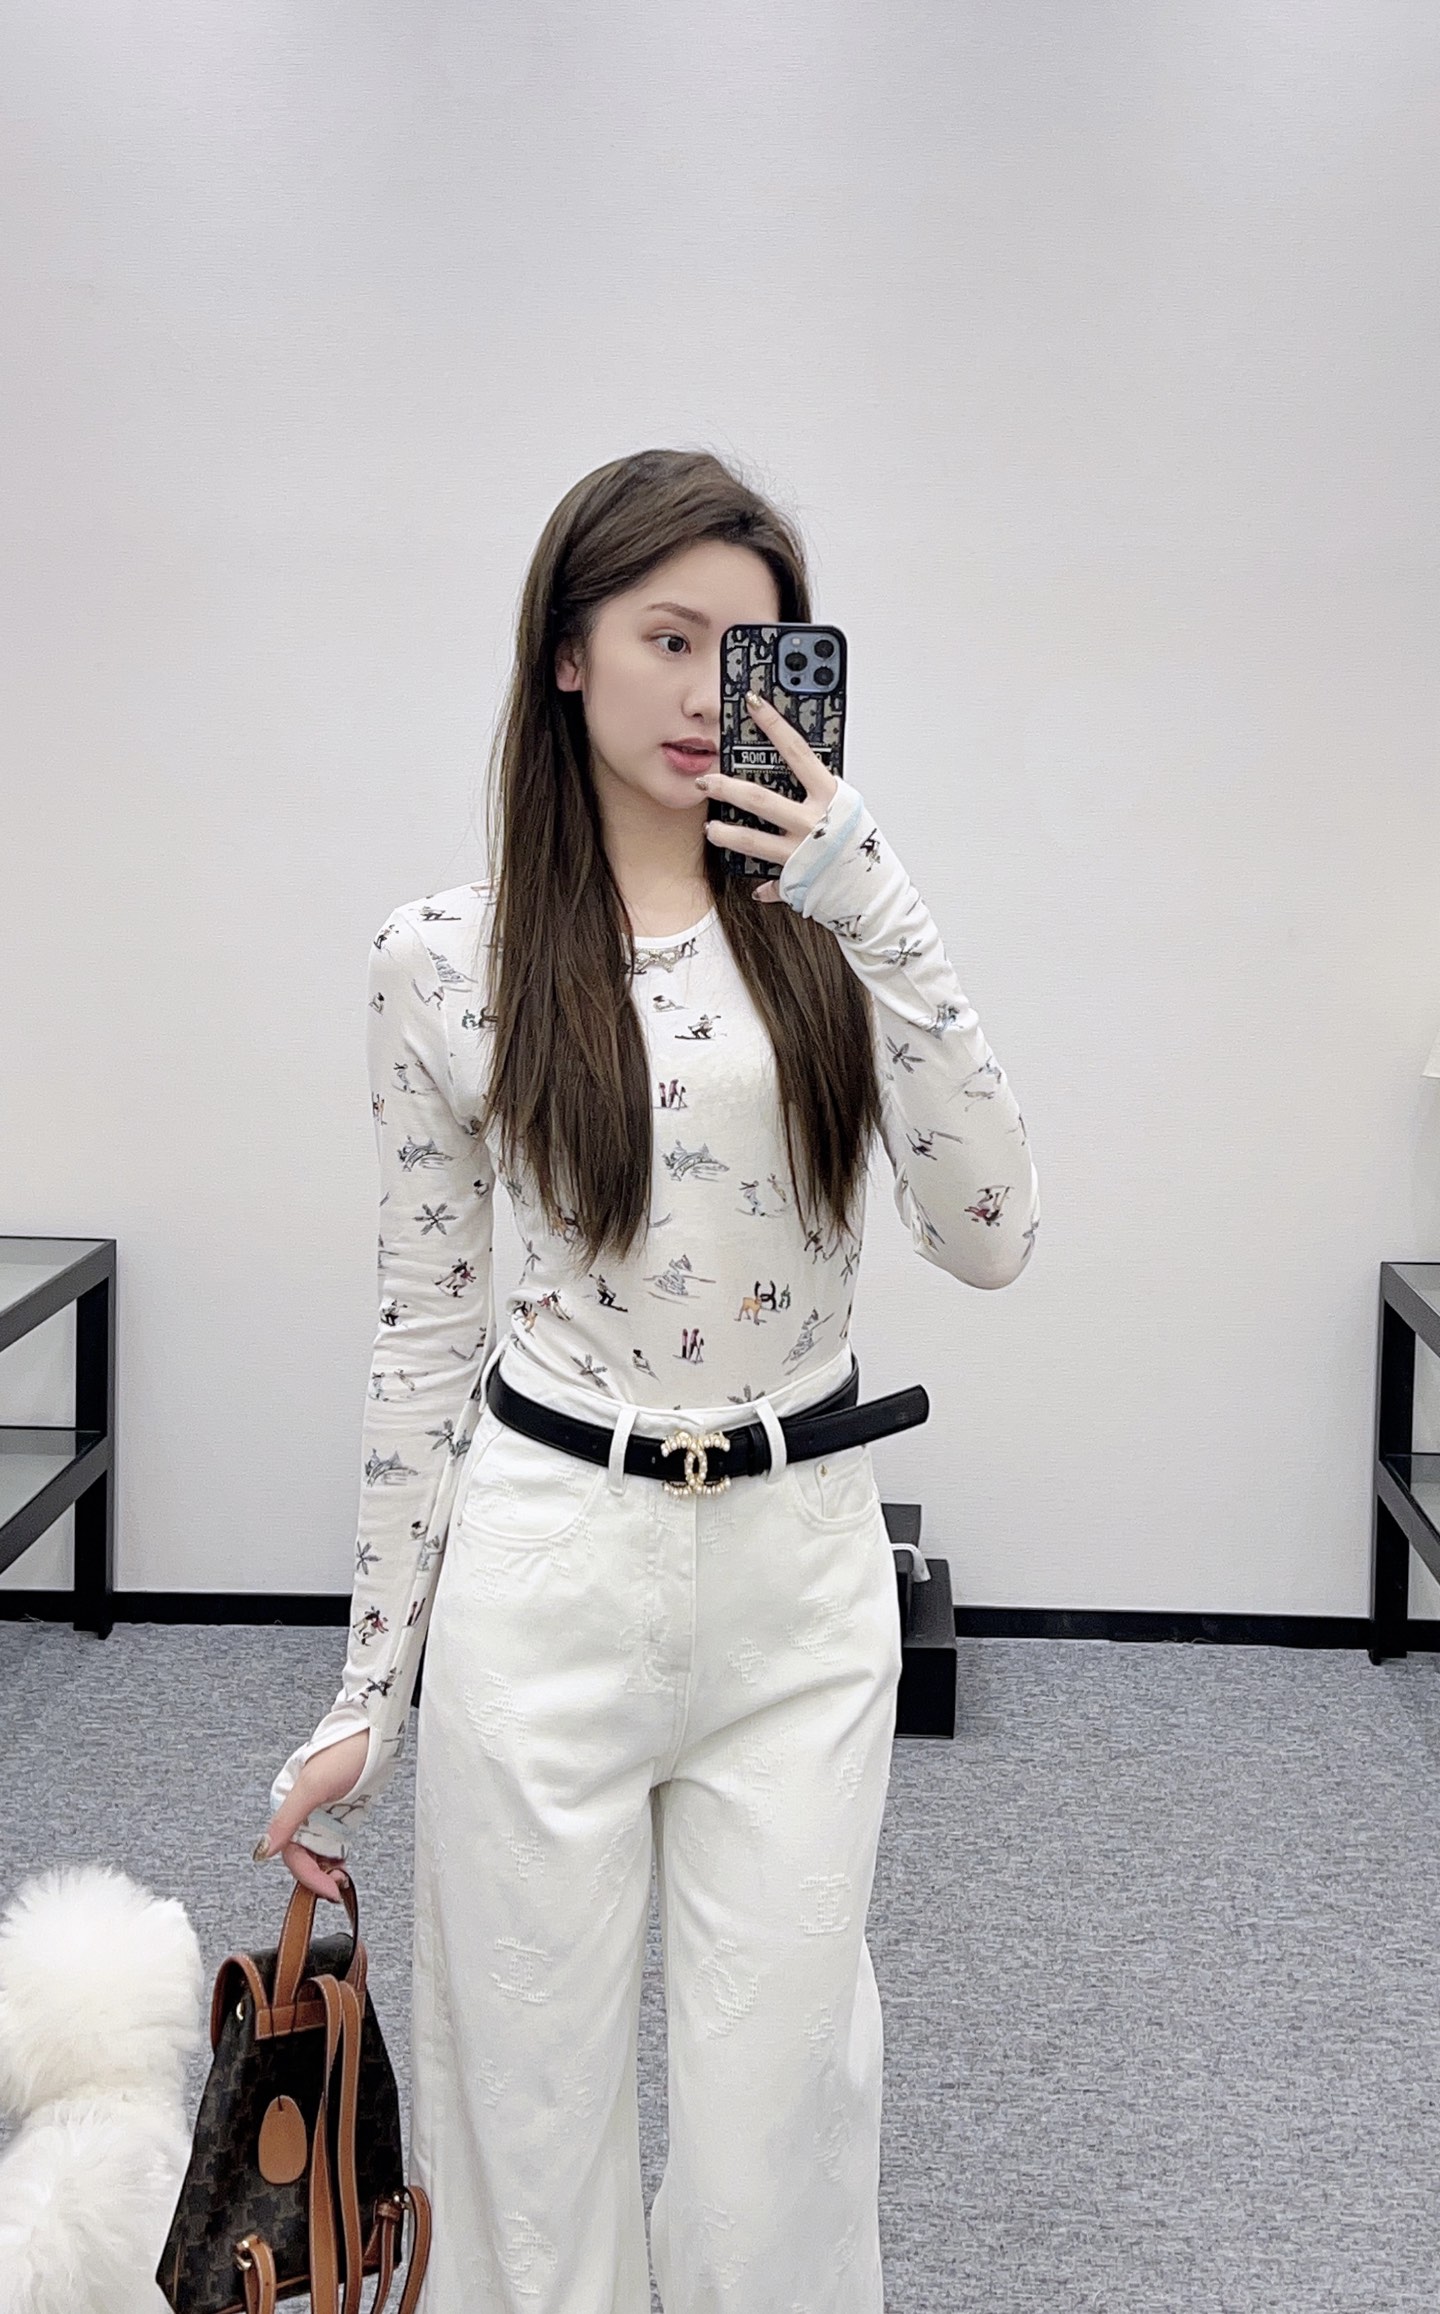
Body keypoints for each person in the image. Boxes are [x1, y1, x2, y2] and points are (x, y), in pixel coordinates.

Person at [257, 447, 1040, 2312]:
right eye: (667, 639)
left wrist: (881, 903)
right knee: (526, 2133)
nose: (709, 695)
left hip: (800, 1576)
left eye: (749, 652)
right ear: (567, 653)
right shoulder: (443, 962)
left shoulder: (838, 930)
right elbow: (426, 1331)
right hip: (550, 1565)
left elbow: (994, 1231)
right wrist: (369, 1687)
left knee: (780, 2131)